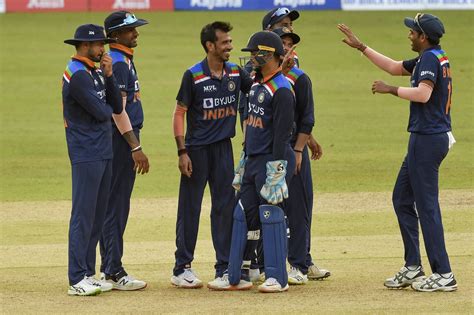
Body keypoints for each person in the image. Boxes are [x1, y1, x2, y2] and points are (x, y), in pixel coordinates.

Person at [338, 13, 457, 292]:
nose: (409, 35)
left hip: (427, 139)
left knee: (426, 207)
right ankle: (414, 266)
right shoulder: (433, 56)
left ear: (423, 37)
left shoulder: (429, 59)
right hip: (428, 137)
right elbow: (393, 66)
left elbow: (423, 94)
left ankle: (444, 273)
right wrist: (361, 47)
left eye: (413, 32)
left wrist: (390, 90)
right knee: (402, 198)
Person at [208, 31, 296, 293]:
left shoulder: (281, 90)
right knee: (244, 215)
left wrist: (277, 172)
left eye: (254, 53)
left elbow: (282, 137)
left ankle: (276, 277)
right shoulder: (256, 85)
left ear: (267, 55)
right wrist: (245, 159)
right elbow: (252, 127)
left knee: (271, 215)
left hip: (272, 161)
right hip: (253, 161)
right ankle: (238, 274)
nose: (251, 58)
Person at [171, 21, 253, 288]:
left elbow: (257, 88)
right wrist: (182, 151)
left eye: (230, 41)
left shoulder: (235, 72)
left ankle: (224, 269)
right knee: (190, 208)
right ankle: (181, 268)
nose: (230, 46)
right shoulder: (193, 75)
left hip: (223, 150)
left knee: (224, 207)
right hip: (196, 151)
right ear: (210, 46)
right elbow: (179, 113)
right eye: (225, 42)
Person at [62, 24, 123, 296]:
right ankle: (76, 278)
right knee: (83, 216)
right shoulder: (77, 75)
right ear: (86, 45)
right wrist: (108, 107)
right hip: (86, 152)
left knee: (97, 216)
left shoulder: (95, 72)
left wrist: (109, 75)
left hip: (103, 150)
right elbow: (101, 113)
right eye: (100, 44)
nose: (104, 48)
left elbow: (117, 108)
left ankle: (88, 272)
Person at [272, 27, 330, 284]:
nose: (287, 47)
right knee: (270, 207)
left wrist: (301, 148)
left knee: (298, 206)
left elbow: (305, 119)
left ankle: (298, 263)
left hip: (293, 151)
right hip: (269, 149)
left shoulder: (300, 78)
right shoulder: (261, 78)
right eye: (281, 43)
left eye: (290, 43)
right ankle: (268, 262)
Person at [98, 11, 150, 291]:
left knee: (114, 204)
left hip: (121, 139)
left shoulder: (123, 60)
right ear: (115, 35)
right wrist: (136, 146)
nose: (136, 33)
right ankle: (113, 270)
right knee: (116, 205)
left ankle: (109, 267)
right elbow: (118, 112)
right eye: (131, 30)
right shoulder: (119, 64)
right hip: (122, 140)